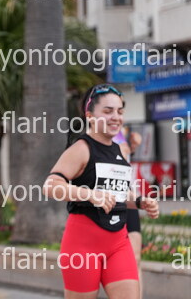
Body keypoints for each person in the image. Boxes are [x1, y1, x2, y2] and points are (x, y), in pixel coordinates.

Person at [43, 84, 159, 299]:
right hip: (83, 246)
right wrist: (89, 194)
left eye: (120, 111)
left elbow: (117, 194)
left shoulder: (119, 150)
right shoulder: (81, 148)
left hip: (118, 244)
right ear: (90, 115)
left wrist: (140, 201)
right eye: (107, 111)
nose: (116, 117)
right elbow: (50, 186)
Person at [114, 129, 144, 297]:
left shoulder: (122, 131)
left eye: (120, 115)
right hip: (107, 198)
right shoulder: (93, 134)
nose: (117, 117)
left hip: (128, 195)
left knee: (135, 257)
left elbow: (124, 159)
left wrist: (131, 147)